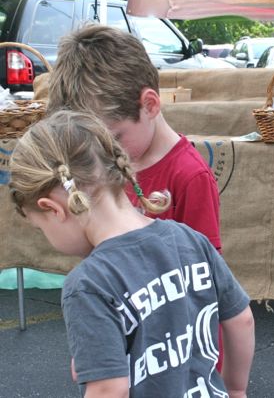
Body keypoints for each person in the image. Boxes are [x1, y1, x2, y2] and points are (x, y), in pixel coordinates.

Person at [9, 110, 254, 398]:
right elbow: (241, 320)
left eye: (41, 229)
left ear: (53, 208)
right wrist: (236, 389)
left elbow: (108, 389)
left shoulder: (89, 284)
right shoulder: (189, 239)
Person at [47, 24, 228, 371]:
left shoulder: (189, 177)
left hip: (178, 358)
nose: (100, 155)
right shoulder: (105, 166)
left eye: (113, 138)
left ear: (149, 105)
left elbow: (207, 287)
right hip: (126, 349)